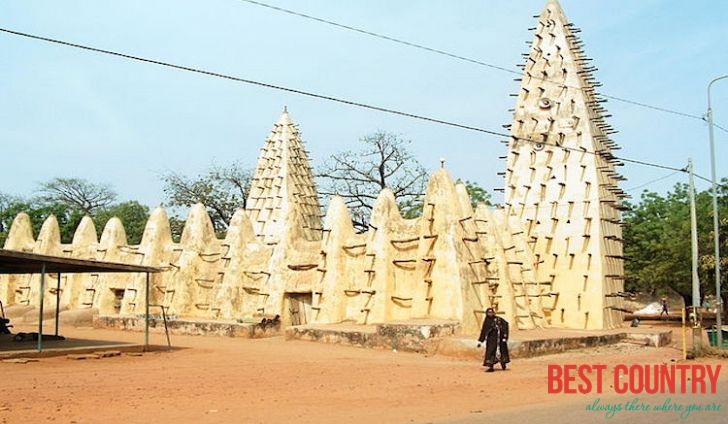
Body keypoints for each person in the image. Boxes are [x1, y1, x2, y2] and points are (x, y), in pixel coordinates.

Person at [477, 308, 510, 372]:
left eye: (491, 312)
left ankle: (503, 364)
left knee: (501, 352)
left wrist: (505, 336)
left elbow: (505, 325)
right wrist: (480, 341)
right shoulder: (486, 321)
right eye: (489, 312)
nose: (490, 314)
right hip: (491, 340)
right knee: (490, 352)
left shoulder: (498, 319)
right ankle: (491, 367)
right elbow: (484, 331)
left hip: (499, 339)